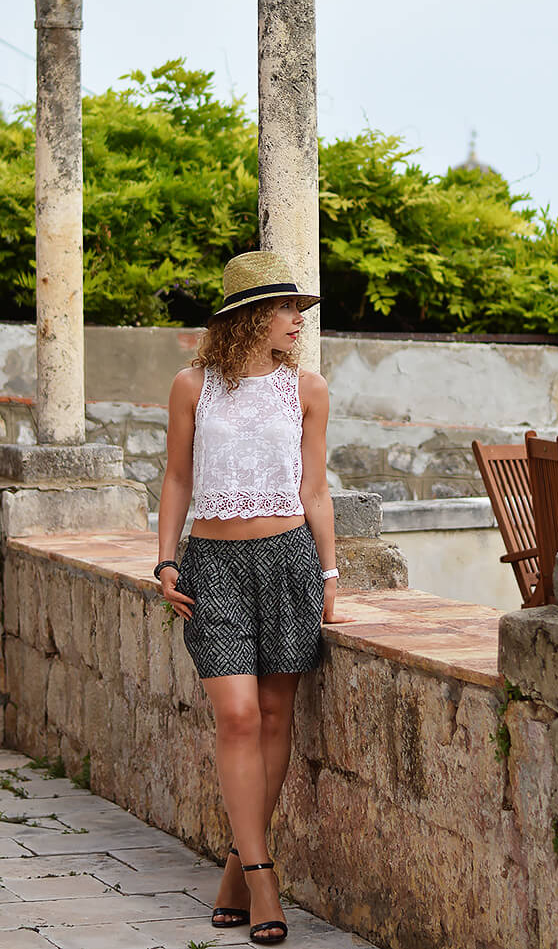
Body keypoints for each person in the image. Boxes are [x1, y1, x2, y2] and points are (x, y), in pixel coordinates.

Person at [154, 250, 352, 945]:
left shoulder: (308, 390)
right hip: (213, 565)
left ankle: (238, 866)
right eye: (286, 307)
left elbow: (316, 491)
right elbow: (177, 479)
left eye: (299, 308)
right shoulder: (191, 385)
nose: (298, 319)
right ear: (250, 315)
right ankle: (263, 872)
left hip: (290, 561)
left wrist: (329, 579)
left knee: (274, 714)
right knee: (237, 715)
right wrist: (167, 559)